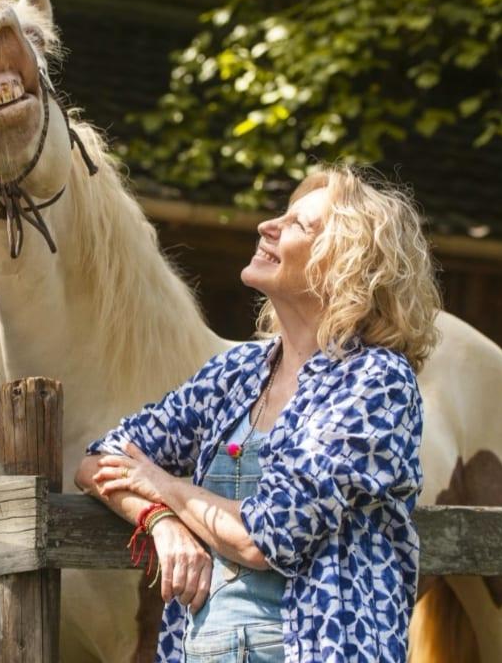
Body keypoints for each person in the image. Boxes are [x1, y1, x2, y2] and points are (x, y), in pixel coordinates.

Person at [76, 165, 441, 662]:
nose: (267, 226)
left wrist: (164, 485)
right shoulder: (238, 372)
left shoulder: (375, 381)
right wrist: (162, 521)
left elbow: (265, 538)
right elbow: (98, 461)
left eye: (299, 225)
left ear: (346, 265)